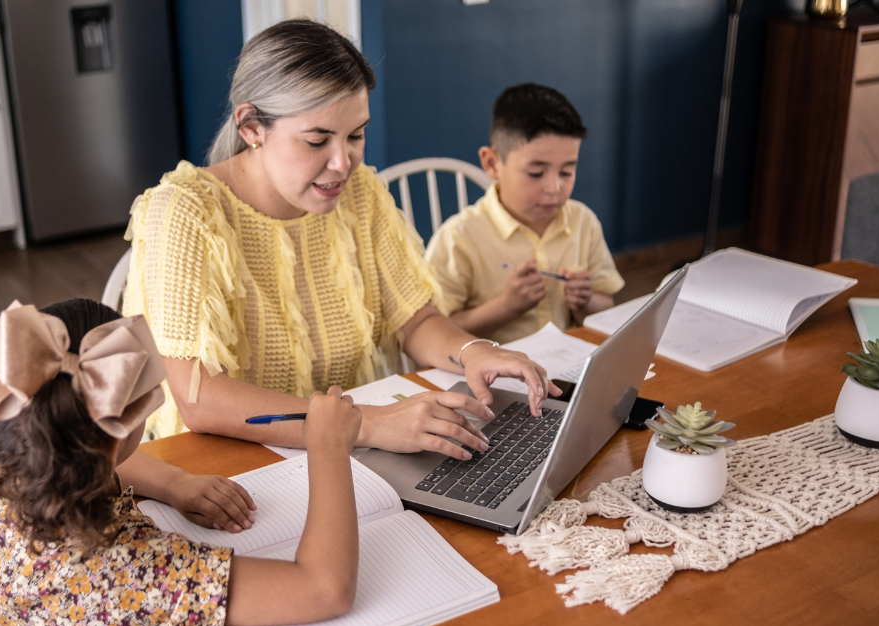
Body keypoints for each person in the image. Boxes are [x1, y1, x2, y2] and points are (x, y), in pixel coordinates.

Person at [122, 19, 560, 456]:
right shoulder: (184, 210)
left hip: (347, 452)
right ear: (252, 127)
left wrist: (472, 351)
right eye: (317, 141)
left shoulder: (361, 193)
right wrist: (366, 424)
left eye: (356, 135)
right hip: (226, 464)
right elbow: (199, 400)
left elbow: (415, 320)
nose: (342, 163)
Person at [0, 298, 363, 626]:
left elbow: (88, 458)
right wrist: (328, 450)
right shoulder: (134, 574)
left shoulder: (7, 471)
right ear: (119, 431)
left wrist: (175, 483)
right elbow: (325, 589)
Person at [425, 83, 624, 345]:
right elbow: (434, 333)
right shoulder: (458, 239)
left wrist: (586, 303)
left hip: (569, 368)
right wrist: (506, 307)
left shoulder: (582, 221)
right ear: (492, 163)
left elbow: (607, 307)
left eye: (566, 172)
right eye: (536, 173)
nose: (554, 188)